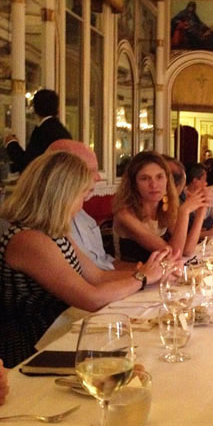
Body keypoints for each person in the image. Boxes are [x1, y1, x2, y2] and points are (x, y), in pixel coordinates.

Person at [0, 151, 167, 367]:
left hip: (64, 331)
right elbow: (91, 299)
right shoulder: (28, 240)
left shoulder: (54, 231)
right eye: (81, 195)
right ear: (61, 195)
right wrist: (142, 278)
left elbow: (97, 276)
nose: (81, 205)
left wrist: (155, 273)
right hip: (36, 347)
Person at [46, 139, 137, 272]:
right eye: (90, 170)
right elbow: (90, 280)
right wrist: (143, 276)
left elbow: (103, 263)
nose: (98, 177)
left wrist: (142, 270)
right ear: (62, 175)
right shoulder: (39, 231)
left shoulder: (82, 215)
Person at [113, 152, 209, 263]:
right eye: (145, 178)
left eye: (159, 177)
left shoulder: (164, 208)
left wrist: (201, 211)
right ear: (134, 184)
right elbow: (174, 254)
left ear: (167, 180)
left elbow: (187, 250)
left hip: (161, 272)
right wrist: (184, 212)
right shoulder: (125, 215)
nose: (154, 185)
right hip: (132, 272)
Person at [4, 89, 71, 173]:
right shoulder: (61, 130)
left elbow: (28, 164)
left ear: (35, 108)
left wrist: (11, 143)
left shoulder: (43, 131)